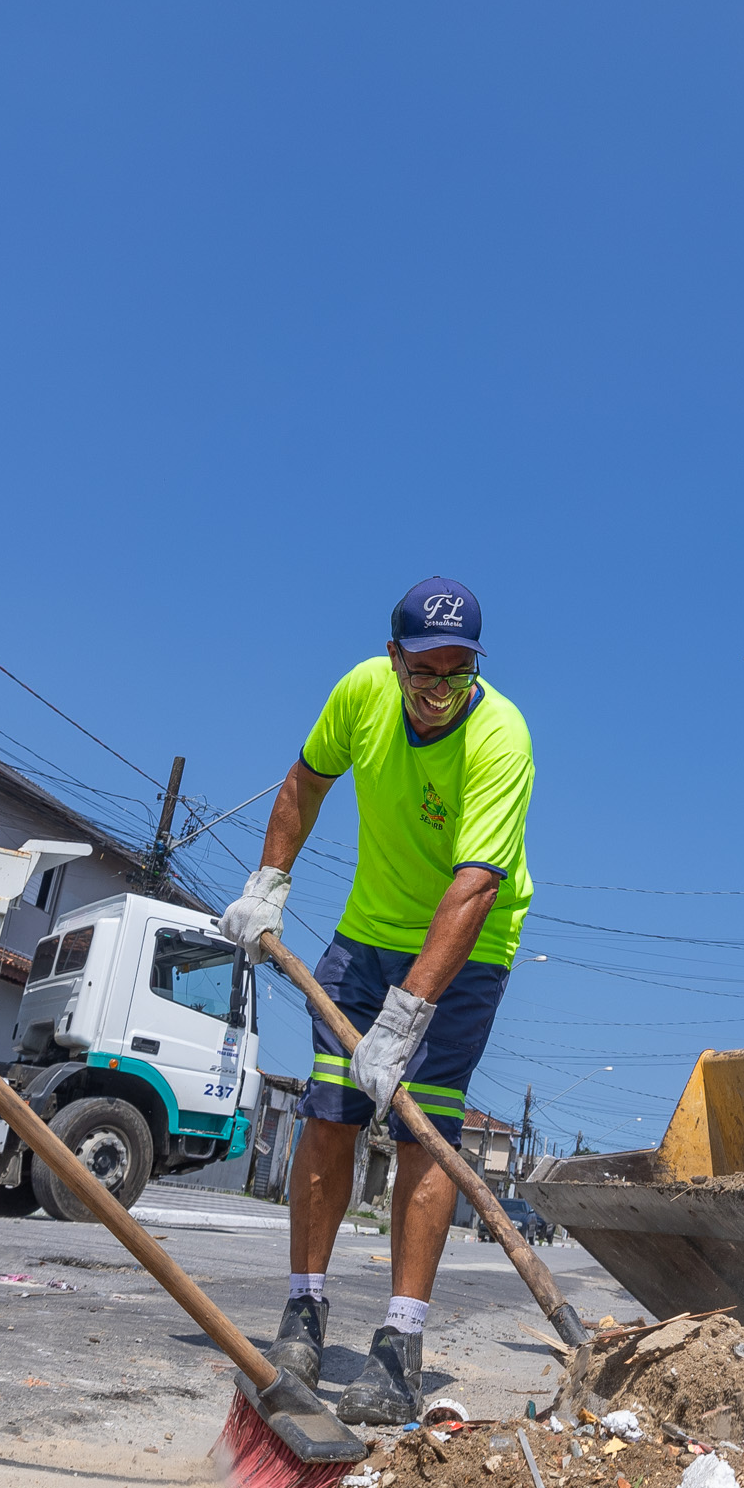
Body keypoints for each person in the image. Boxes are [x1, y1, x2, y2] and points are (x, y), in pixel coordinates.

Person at [218, 578, 534, 1424]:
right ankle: (304, 1312)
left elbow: (472, 889)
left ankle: (400, 1343)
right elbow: (305, 781)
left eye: (457, 673)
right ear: (393, 660)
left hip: (467, 946)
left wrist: (407, 1017)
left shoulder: (501, 737)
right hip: (365, 937)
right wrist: (270, 881)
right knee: (330, 1110)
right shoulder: (361, 691)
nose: (439, 692)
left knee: (424, 1129)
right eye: (423, 672)